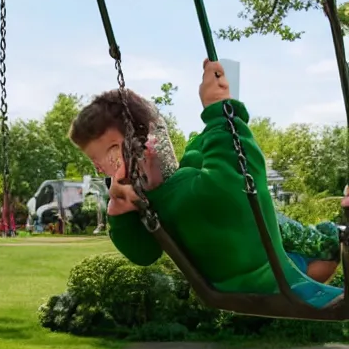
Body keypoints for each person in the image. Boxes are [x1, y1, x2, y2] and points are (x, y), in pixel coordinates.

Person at [68, 59, 349, 308]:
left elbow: (238, 180)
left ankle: (330, 236)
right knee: (314, 242)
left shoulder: (186, 190)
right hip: (266, 274)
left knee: (308, 237)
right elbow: (144, 253)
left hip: (270, 261)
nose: (101, 167)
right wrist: (119, 210)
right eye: (95, 161)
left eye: (111, 151)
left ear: (145, 138)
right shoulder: (154, 201)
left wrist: (220, 114)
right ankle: (331, 237)